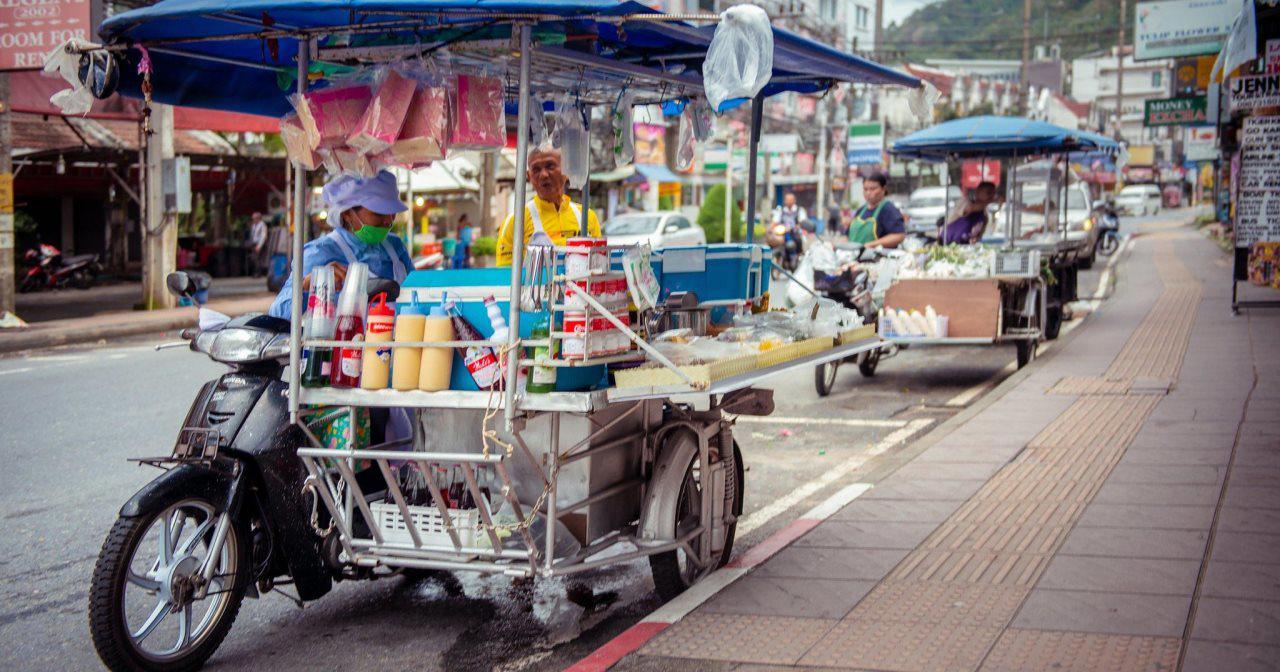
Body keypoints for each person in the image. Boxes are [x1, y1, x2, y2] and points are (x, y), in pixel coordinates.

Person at [269, 171, 413, 319]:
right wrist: (308, 284)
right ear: (347, 213)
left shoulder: (395, 247)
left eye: (392, 212)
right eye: (379, 213)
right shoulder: (320, 252)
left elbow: (419, 293)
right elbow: (278, 316)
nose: (388, 221)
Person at [496, 146, 601, 266]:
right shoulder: (516, 221)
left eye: (550, 166)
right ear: (528, 176)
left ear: (566, 170)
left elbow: (598, 265)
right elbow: (503, 276)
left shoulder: (587, 216)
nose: (544, 175)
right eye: (536, 169)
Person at [847, 173, 905, 248]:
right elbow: (847, 235)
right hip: (854, 256)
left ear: (883, 189)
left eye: (873, 189)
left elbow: (899, 235)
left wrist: (871, 245)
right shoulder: (860, 211)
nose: (868, 193)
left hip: (877, 257)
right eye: (865, 189)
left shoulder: (888, 210)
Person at [248, 212, 268, 277]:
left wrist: (259, 246)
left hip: (259, 244)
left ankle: (259, 273)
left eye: (254, 218)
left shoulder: (262, 225)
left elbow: (263, 236)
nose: (253, 220)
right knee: (254, 259)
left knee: (258, 259)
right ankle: (255, 272)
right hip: (254, 244)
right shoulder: (254, 225)